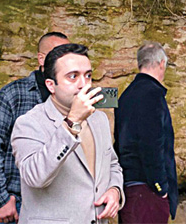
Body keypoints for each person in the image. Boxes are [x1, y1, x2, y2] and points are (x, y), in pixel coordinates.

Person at [11, 43, 124, 224]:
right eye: (73, 76)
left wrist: (115, 190)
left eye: (88, 75)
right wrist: (72, 122)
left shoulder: (99, 119)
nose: (83, 84)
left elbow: (112, 163)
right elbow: (35, 177)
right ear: (51, 85)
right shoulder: (29, 123)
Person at [0, 31, 70, 223]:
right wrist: (1, 200)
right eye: (59, 54)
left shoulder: (73, 97)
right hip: (18, 204)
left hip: (64, 203)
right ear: (41, 59)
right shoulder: (12, 94)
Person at [115, 42, 178, 223]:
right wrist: (160, 187)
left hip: (131, 187)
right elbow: (151, 144)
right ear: (161, 63)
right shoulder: (151, 94)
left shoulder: (126, 95)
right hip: (146, 191)